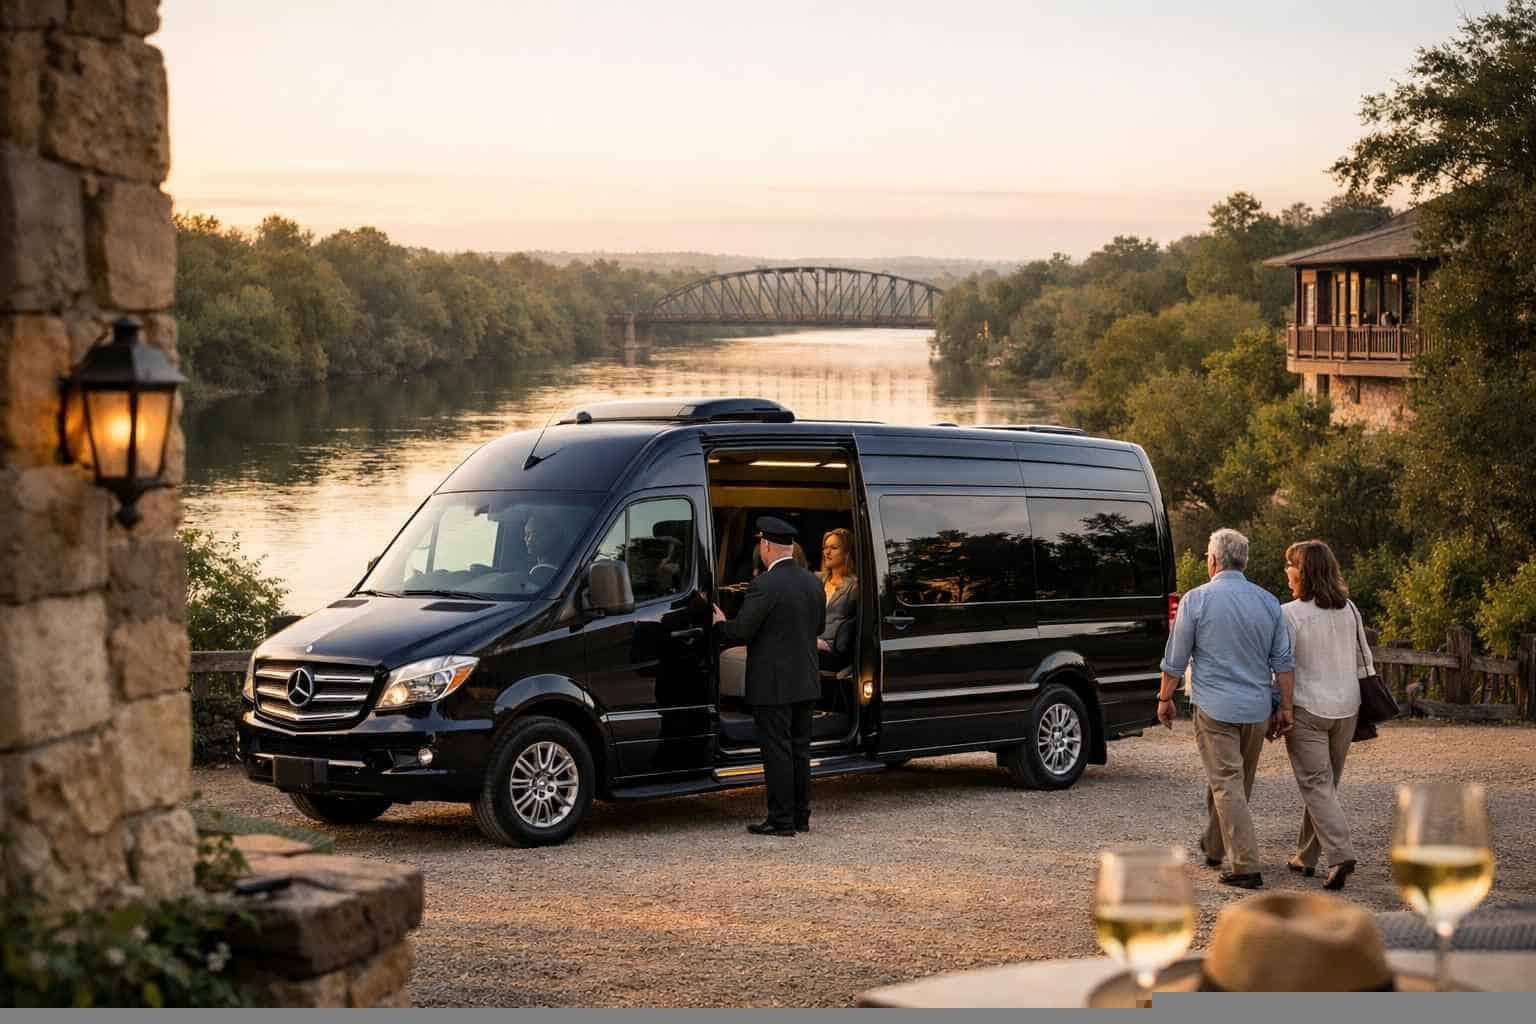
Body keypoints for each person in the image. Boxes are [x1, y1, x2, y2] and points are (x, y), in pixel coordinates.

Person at [1157, 528, 1296, 889]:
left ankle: (1247, 866)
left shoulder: (1196, 600)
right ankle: (1215, 845)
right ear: (1244, 561)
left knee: (1227, 785)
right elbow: (1283, 661)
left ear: (1213, 560)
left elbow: (1175, 658)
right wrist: (1286, 709)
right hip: (1255, 710)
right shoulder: (1268, 602)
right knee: (1233, 782)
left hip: (1215, 709)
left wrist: (1164, 698)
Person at [713, 516, 826, 837]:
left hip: (773, 685)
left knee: (777, 752)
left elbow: (741, 631)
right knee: (800, 750)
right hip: (805, 679)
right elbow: (817, 629)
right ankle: (801, 817)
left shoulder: (763, 584)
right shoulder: (812, 582)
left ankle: (781, 820)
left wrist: (720, 622)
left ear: (765, 546)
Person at [1277, 540, 1373, 891]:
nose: (1286, 572)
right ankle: (1305, 856)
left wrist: (1279, 707)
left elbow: (1282, 665)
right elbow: (1365, 661)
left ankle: (1340, 853)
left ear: (1304, 572)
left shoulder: (1288, 613)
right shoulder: (1349, 609)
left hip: (1307, 709)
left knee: (1317, 785)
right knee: (1324, 787)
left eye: (1290, 565)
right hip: (1347, 708)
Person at [816, 528, 858, 673]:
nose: (827, 553)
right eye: (825, 548)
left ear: (846, 553)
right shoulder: (817, 579)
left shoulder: (854, 585)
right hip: (810, 642)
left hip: (832, 650)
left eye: (833, 548)